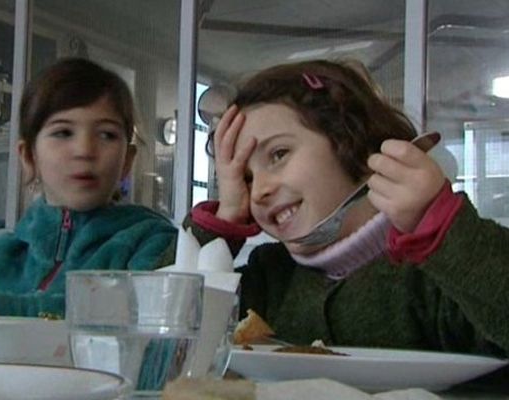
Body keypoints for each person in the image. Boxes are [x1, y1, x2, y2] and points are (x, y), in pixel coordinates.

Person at [185, 59, 509, 362]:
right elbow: (165, 325)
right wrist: (224, 219)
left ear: (351, 141)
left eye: (279, 154)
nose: (260, 190)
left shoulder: (431, 278)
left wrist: (441, 230)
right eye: (246, 178)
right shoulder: (268, 276)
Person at [0, 58, 177, 318]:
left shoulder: (151, 243)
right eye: (63, 133)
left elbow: (130, 319)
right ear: (29, 156)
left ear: (127, 161)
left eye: (106, 134)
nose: (85, 150)